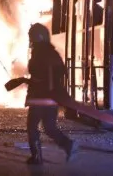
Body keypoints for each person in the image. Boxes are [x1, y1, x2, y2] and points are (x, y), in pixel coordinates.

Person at [25, 23, 78, 165]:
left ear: (38, 36)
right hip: (52, 97)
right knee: (49, 127)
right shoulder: (51, 52)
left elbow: (36, 72)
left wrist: (36, 80)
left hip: (40, 97)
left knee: (32, 126)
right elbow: (61, 71)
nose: (30, 39)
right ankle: (68, 145)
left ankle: (36, 157)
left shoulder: (39, 53)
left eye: (31, 36)